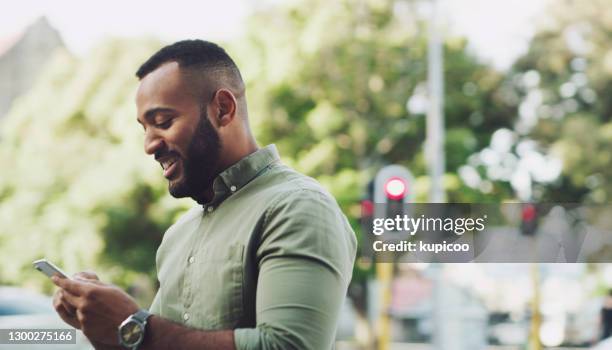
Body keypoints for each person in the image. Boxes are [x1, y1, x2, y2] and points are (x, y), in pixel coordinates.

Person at [52, 40, 357, 350]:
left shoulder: (298, 207)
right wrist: (107, 331)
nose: (149, 145)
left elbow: (289, 347)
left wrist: (133, 326)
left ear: (222, 109)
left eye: (163, 123)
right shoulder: (177, 236)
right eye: (145, 128)